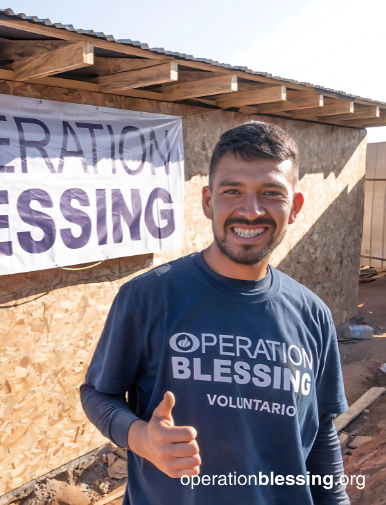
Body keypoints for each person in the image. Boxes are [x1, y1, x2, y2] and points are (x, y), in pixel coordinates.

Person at [81, 122, 349, 504]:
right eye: (232, 191)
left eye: (271, 193)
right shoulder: (149, 296)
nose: (251, 210)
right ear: (209, 201)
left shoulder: (312, 315)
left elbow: (320, 432)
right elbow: (97, 393)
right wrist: (140, 438)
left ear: (295, 207)